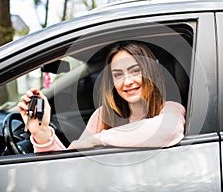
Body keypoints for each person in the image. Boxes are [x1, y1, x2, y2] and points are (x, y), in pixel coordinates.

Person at [18, 41, 186, 153]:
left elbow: (168, 131)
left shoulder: (171, 109)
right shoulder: (102, 116)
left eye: (135, 71)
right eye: (118, 75)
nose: (127, 81)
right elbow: (68, 162)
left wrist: (98, 140)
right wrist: (42, 134)